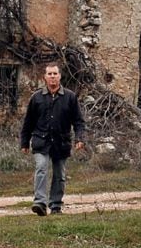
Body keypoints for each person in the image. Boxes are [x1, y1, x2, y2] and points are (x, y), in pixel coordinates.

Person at [20, 62, 86, 216]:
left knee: (59, 175)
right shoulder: (36, 98)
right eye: (49, 74)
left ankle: (55, 205)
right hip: (41, 141)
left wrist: (79, 138)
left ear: (60, 76)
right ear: (45, 77)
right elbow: (28, 122)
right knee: (41, 168)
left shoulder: (70, 97)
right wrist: (24, 142)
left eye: (55, 74)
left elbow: (78, 121)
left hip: (61, 142)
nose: (52, 77)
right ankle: (40, 203)